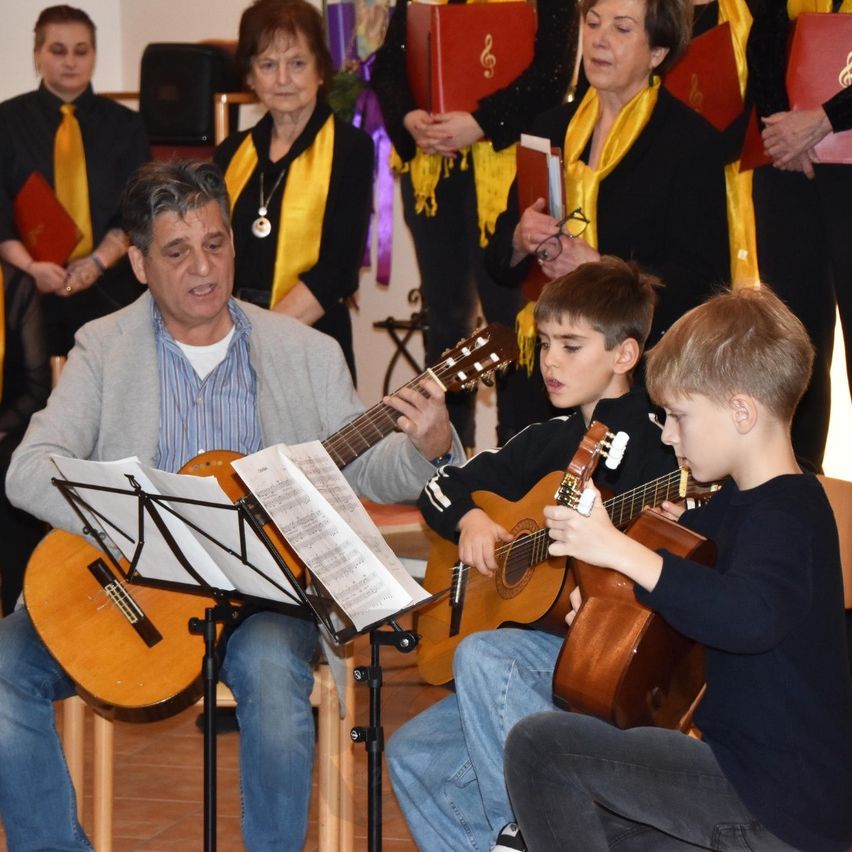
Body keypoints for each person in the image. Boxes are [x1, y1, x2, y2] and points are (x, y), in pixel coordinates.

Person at [0, 159, 462, 851]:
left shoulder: (305, 352)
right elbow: (28, 473)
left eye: (216, 244)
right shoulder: (102, 349)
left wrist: (431, 444)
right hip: (134, 597)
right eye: (177, 252)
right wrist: (140, 519)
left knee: (277, 696)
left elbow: (373, 469)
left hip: (267, 597)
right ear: (138, 263)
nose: (203, 268)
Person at [506, 286, 852, 851]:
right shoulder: (732, 507)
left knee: (542, 748)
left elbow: (749, 616)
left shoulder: (791, 509)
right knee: (560, 828)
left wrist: (620, 550)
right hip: (741, 783)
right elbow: (684, 606)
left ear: (742, 411)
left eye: (678, 416)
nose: (667, 435)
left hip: (775, 798)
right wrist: (600, 603)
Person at [387, 257, 680, 851]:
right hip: (539, 649)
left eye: (571, 346)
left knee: (485, 656)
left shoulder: (661, 441)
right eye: (545, 344)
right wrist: (470, 518)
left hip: (606, 662)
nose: (549, 361)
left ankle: (527, 832)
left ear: (624, 356)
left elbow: (668, 565)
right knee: (412, 754)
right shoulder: (549, 439)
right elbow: (441, 486)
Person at [372, 0, 576, 450]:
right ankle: (447, 458)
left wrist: (482, 122)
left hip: (509, 176)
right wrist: (409, 118)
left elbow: (554, 75)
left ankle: (521, 460)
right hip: (435, 171)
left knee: (515, 326)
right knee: (446, 323)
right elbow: (388, 63)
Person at [488, 0, 729, 358]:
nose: (599, 40)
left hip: (640, 365)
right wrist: (521, 240)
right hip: (546, 356)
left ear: (658, 52)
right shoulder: (551, 127)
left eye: (621, 28)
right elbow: (497, 262)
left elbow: (701, 283)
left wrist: (600, 270)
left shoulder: (690, 143)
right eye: (593, 22)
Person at [213, 0, 373, 381]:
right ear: (250, 76)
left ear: (321, 70)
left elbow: (338, 270)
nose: (283, 78)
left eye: (297, 63)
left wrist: (255, 336)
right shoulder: (230, 153)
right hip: (228, 340)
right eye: (268, 65)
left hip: (311, 341)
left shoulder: (351, 149)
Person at [0, 4, 150, 357]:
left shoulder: (127, 125)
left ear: (94, 55)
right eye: (58, 50)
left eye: (81, 51)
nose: (71, 62)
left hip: (108, 279)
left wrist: (96, 264)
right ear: (37, 54)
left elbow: (137, 209)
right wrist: (30, 269)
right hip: (26, 282)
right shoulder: (6, 121)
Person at [747, 0, 852, 472]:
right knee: (791, 337)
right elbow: (764, 31)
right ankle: (798, 486)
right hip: (788, 163)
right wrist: (780, 125)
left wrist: (824, 120)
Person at [0, 269, 51, 616]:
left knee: (13, 471)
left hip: (6, 426)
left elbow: (37, 386)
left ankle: (21, 616)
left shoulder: (14, 286)